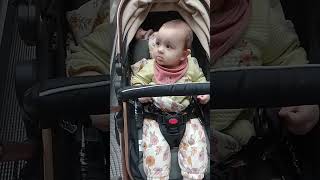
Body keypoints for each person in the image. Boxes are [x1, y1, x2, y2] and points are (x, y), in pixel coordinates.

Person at [211, 0, 319, 163]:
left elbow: (286, 58)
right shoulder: (162, 12)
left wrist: (306, 102)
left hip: (231, 152)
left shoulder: (259, 10)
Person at [131, 20, 210, 180]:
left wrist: (204, 94)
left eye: (168, 47)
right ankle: (157, 176)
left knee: (195, 143)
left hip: (187, 115)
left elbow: (202, 81)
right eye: (158, 43)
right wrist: (141, 93)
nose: (159, 50)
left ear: (184, 54)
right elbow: (136, 81)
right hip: (156, 116)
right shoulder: (149, 67)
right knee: (154, 149)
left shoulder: (192, 66)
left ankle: (193, 175)